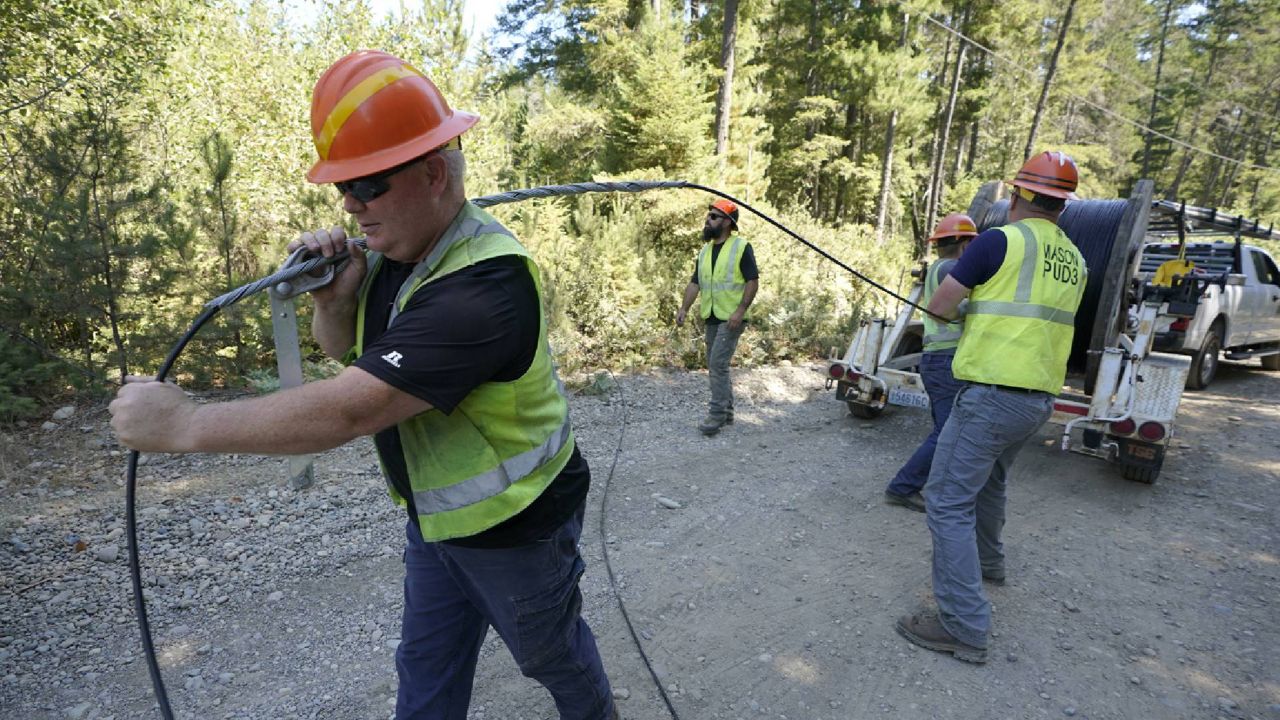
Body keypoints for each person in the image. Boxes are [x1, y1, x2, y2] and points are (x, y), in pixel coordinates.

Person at [109, 50, 618, 720]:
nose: (350, 206)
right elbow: (348, 354)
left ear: (434, 174)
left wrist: (183, 425)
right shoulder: (395, 254)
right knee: (426, 667)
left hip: (517, 528)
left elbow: (351, 410)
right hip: (437, 520)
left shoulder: (484, 290)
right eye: (343, 189)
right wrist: (334, 300)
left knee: (549, 654)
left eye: (369, 184)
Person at [894, 151, 1086, 664]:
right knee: (992, 482)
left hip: (992, 394)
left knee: (946, 499)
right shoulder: (1075, 258)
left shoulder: (999, 240)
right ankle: (989, 564)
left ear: (1020, 194)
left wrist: (972, 309)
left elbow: (939, 307)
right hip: (1038, 397)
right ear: (1063, 205)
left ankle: (961, 625)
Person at [883, 213, 978, 512]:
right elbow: (965, 308)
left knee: (946, 430)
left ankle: (930, 484)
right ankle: (903, 487)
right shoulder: (954, 268)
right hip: (947, 359)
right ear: (964, 244)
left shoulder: (939, 268)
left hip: (938, 358)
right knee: (948, 432)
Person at [675, 199, 760, 436]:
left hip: (731, 317)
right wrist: (684, 308)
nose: (708, 220)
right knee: (717, 366)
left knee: (717, 365)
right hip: (711, 315)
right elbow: (695, 283)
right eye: (708, 216)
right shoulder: (704, 251)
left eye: (714, 216)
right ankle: (728, 412)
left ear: (727, 222)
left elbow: (752, 281)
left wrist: (740, 310)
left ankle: (717, 415)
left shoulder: (741, 247)